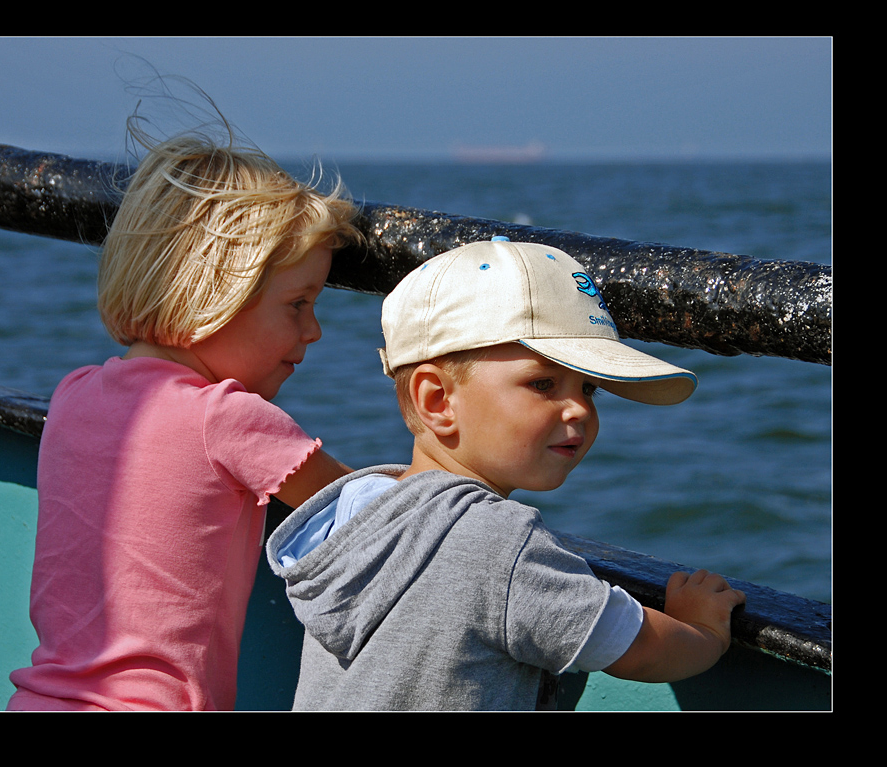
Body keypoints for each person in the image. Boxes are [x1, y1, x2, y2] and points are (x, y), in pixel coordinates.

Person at [266, 238, 747, 711]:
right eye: (543, 383)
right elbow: (637, 648)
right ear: (437, 401)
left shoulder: (358, 507)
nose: (579, 408)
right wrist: (702, 631)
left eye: (590, 389)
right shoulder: (500, 546)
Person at [6, 108, 362, 711]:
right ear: (216, 294)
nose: (315, 331)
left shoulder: (75, 394)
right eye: (298, 305)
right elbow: (371, 510)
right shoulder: (227, 419)